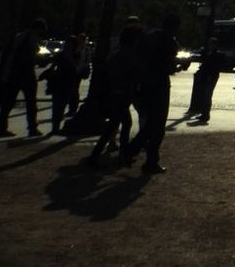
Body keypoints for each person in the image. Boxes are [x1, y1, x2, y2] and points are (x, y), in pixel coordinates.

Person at [125, 13, 179, 174]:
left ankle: (139, 154)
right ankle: (144, 157)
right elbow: (167, 63)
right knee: (157, 124)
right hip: (159, 83)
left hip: (146, 83)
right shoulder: (168, 39)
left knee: (152, 124)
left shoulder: (150, 37)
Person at [87, 23, 142, 167]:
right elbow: (133, 72)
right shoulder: (126, 55)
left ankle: (116, 155)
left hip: (117, 93)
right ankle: (120, 156)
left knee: (116, 125)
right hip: (121, 93)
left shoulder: (119, 53)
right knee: (117, 125)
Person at [0, 18, 47, 138]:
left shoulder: (20, 37)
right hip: (24, 73)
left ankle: (1, 127)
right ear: (39, 29)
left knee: (9, 101)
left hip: (16, 73)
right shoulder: (29, 38)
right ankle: (32, 128)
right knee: (30, 102)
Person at [42, 34, 85, 134]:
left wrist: (70, 57)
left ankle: (56, 126)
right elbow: (53, 65)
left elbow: (77, 67)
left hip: (69, 81)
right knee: (57, 104)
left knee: (62, 104)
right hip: (59, 80)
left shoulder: (76, 54)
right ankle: (55, 127)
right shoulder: (60, 54)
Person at [190, 38, 221, 124]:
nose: (209, 45)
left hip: (210, 77)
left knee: (207, 96)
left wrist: (209, 76)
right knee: (206, 96)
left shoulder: (214, 55)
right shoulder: (212, 54)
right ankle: (204, 113)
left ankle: (205, 114)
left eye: (211, 44)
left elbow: (213, 67)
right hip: (209, 76)